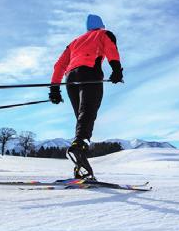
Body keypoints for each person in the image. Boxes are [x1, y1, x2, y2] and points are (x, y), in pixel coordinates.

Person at [49, 14, 123, 180]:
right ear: (101, 25)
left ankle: (81, 166)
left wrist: (55, 89)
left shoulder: (74, 42)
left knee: (82, 119)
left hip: (71, 79)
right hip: (90, 74)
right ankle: (79, 148)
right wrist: (117, 70)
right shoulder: (103, 34)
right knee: (88, 113)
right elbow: (111, 50)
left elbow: (59, 65)